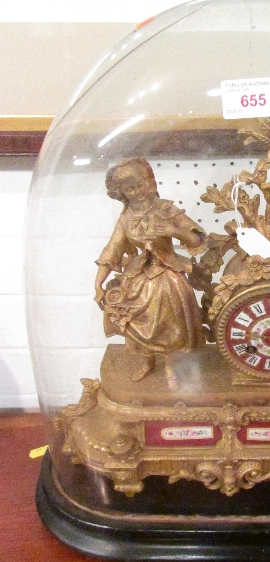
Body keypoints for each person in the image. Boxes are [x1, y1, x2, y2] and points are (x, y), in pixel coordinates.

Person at [94, 157, 206, 389]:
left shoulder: (166, 208)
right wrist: (98, 285)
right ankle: (147, 361)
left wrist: (174, 230)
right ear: (122, 192)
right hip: (137, 278)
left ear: (150, 183)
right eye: (130, 188)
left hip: (167, 275)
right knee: (134, 318)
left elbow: (196, 238)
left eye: (141, 185)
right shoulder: (126, 219)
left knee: (170, 321)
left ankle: (170, 364)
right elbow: (111, 251)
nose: (137, 192)